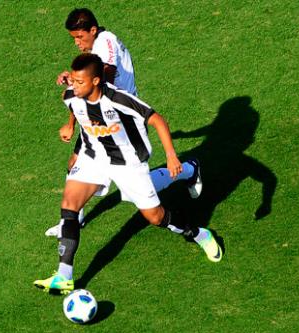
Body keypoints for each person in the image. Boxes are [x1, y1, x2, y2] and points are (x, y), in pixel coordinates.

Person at [34, 54, 222, 295]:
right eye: (74, 81)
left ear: (95, 81)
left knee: (155, 217)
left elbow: (157, 120)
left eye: (80, 82)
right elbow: (73, 104)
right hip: (94, 158)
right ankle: (64, 276)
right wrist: (70, 125)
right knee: (69, 206)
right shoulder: (72, 94)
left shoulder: (117, 99)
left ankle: (198, 233)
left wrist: (172, 155)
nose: (74, 86)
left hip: (128, 163)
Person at [50, 8, 197, 229]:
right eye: (74, 39)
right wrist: (71, 115)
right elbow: (84, 92)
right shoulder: (92, 54)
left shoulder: (106, 41)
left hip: (124, 121)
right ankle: (71, 220)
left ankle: (188, 169)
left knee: (135, 190)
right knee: (75, 163)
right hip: (98, 116)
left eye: (80, 37)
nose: (77, 43)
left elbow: (104, 77)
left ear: (92, 30)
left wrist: (74, 81)